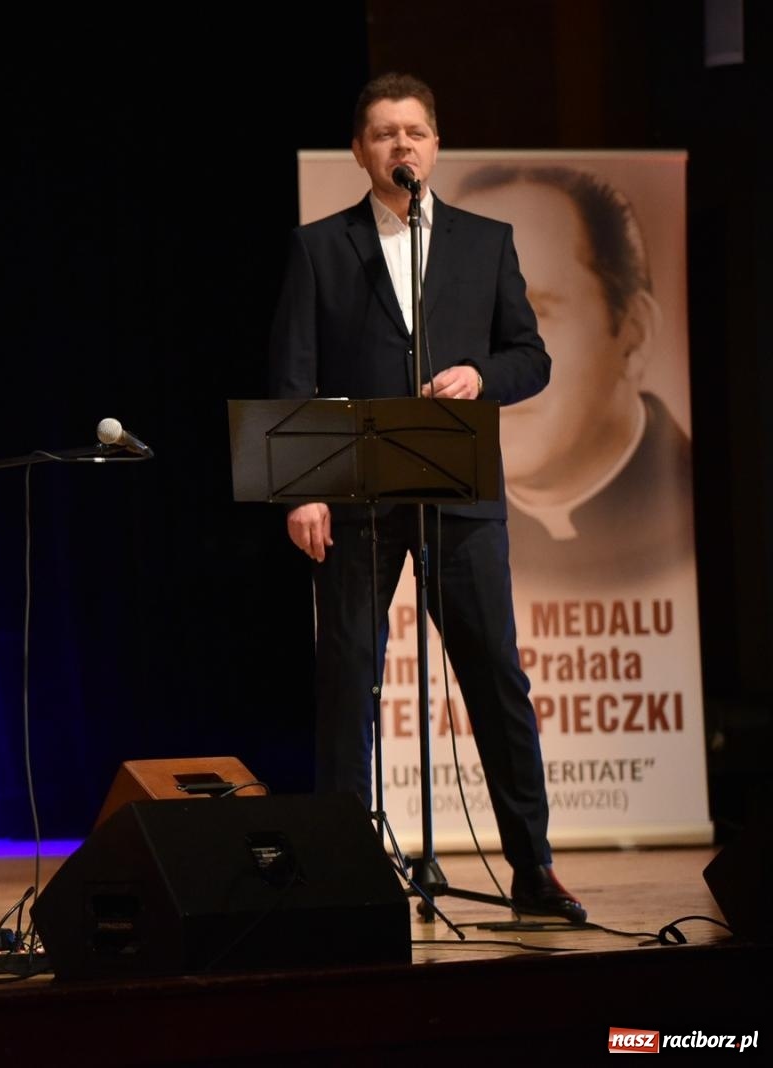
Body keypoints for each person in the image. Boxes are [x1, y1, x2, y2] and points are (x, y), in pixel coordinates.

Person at [266, 73, 584, 921]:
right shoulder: (319, 247)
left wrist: (483, 374)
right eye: (382, 133)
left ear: (435, 145)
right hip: (357, 501)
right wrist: (305, 490)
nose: (400, 146)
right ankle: (337, 870)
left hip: (459, 495)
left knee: (496, 681)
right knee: (346, 683)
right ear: (360, 151)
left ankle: (533, 865)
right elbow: (294, 374)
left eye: (414, 132)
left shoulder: (486, 242)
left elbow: (531, 356)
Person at [454, 164, 694, 589]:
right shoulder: (421, 525)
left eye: (534, 313)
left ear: (633, 336)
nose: (488, 357)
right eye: (466, 315)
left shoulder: (706, 513)